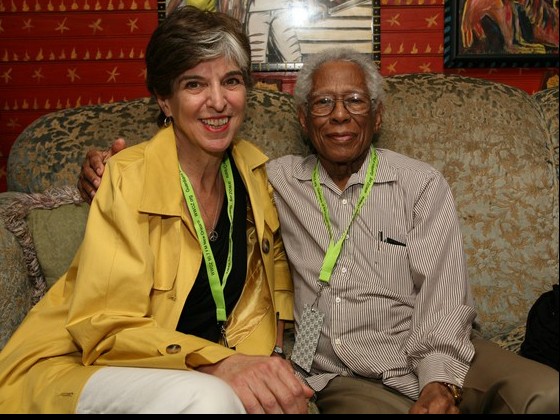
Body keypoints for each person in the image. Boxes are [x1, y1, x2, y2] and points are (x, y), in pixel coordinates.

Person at [77, 48, 560, 414]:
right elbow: (192, 162)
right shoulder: (271, 180)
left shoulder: (420, 184)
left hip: (444, 353)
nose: (340, 115)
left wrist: (439, 380)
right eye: (323, 103)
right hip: (346, 371)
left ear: (377, 113)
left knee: (546, 393)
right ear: (304, 120)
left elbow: (445, 297)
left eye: (354, 100)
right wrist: (105, 167)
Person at [0, 6, 314, 414]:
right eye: (195, 84)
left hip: (190, 372)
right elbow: (105, 328)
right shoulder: (128, 177)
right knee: (211, 398)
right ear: (165, 100)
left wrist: (268, 362)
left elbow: (269, 287)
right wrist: (219, 364)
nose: (218, 101)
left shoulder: (256, 174)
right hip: (84, 365)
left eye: (231, 81)